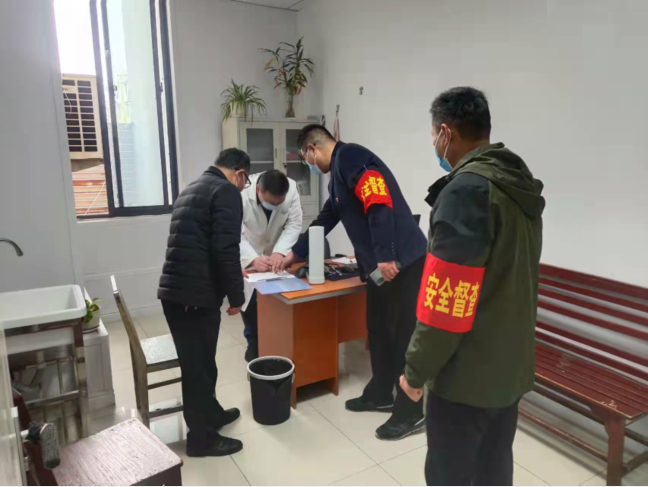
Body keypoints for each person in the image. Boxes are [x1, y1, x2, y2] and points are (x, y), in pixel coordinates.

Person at [399, 87, 545, 486]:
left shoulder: (466, 192)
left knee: (451, 475)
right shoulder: (516, 182)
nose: (434, 144)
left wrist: (415, 372)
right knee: (493, 470)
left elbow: (446, 303)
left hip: (466, 377)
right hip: (508, 368)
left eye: (434, 135)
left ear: (446, 133)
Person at [280, 125, 428, 441]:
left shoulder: (350, 157)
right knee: (378, 329)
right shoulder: (337, 177)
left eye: (305, 157)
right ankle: (380, 393)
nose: (308, 164)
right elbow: (325, 220)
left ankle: (411, 412)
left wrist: (385, 255)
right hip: (380, 269)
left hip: (402, 263)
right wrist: (293, 254)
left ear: (311, 149)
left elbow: (378, 202)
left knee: (402, 335)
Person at [158, 148, 252, 457]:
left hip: (183, 294)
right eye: (246, 181)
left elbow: (205, 246)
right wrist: (237, 297)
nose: (244, 187)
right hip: (192, 298)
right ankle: (201, 439)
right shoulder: (225, 191)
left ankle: (211, 414)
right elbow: (226, 249)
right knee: (198, 369)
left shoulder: (194, 187)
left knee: (203, 364)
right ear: (239, 173)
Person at [240, 169, 303, 361]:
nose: (274, 206)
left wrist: (279, 251)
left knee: (279, 300)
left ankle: (277, 343)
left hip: (277, 254)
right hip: (249, 252)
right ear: (258, 190)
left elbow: (294, 224)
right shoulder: (242, 194)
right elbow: (233, 231)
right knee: (250, 302)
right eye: (270, 202)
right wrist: (252, 258)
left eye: (278, 203)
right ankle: (253, 343)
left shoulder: (292, 190)